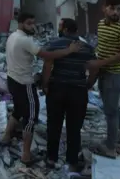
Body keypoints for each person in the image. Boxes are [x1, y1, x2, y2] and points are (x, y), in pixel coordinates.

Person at [0, 12, 82, 166]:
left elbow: (36, 51)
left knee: (18, 110)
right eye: (29, 24)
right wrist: (69, 51)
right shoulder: (24, 40)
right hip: (24, 83)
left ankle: (5, 137)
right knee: (30, 117)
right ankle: (26, 155)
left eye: (34, 23)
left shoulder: (13, 36)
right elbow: (46, 56)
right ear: (21, 24)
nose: (33, 27)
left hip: (12, 79)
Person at [86, 0, 120, 159]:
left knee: (110, 112)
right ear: (104, 8)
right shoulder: (101, 24)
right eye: (112, 8)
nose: (115, 12)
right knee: (113, 108)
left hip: (114, 73)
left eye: (118, 9)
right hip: (102, 71)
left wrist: (99, 64)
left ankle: (110, 147)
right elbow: (101, 46)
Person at [41, 18, 96, 171]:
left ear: (65, 30)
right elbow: (94, 68)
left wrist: (45, 84)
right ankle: (72, 161)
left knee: (54, 125)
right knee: (74, 127)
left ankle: (51, 158)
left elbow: (47, 65)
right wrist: (89, 84)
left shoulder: (54, 45)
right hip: (78, 91)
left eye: (60, 26)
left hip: (57, 89)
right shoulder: (87, 48)